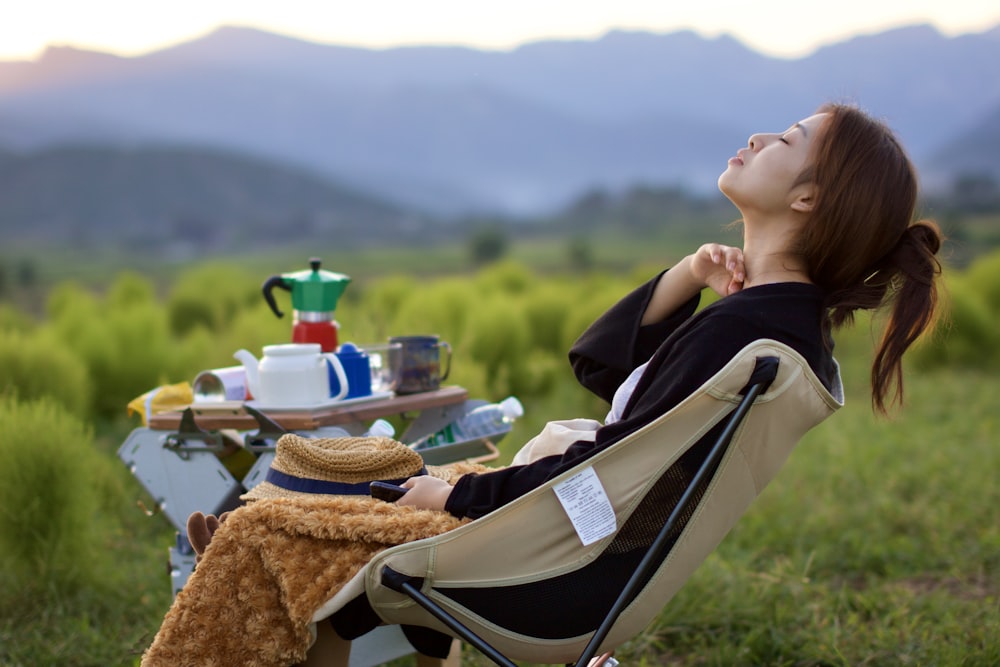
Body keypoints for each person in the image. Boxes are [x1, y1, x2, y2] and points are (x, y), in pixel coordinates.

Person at [397, 102, 943, 519]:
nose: (758, 137)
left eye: (786, 140)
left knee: (317, 517)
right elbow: (607, 370)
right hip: (590, 556)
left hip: (545, 560)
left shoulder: (746, 332)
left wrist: (455, 496)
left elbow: (607, 469)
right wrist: (691, 274)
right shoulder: (784, 324)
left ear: (808, 198)